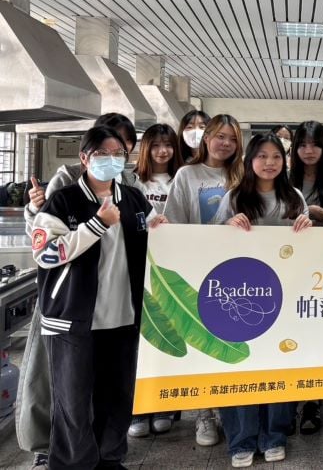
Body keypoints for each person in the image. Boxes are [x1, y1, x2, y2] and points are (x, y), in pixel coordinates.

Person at [30, 125, 167, 470]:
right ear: (84, 157)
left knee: (118, 397)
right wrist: (96, 224)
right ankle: (73, 464)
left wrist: (166, 230)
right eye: (102, 153)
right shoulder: (63, 200)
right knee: (73, 404)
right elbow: (45, 253)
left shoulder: (133, 199)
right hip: (72, 320)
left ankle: (110, 459)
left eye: (118, 154)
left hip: (124, 318)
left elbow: (160, 238)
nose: (111, 159)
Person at [213, 133, 311, 468]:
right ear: (249, 160)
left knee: (279, 363)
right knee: (241, 366)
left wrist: (308, 227)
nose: (269, 163)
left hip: (285, 295)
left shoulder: (294, 197)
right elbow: (209, 241)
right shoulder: (234, 197)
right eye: (262, 156)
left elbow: (308, 248)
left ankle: (274, 436)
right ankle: (241, 439)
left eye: (276, 156)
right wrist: (227, 225)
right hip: (240, 297)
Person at [164, 113, 244, 446]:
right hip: (197, 268)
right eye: (220, 136)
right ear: (206, 138)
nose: (226, 143)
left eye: (233, 138)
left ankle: (230, 411)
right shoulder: (187, 174)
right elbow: (173, 223)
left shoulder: (242, 174)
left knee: (231, 342)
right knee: (202, 342)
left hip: (236, 272)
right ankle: (204, 414)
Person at [128, 123, 183, 439]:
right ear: (145, 147)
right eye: (157, 145)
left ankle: (164, 406)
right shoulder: (131, 180)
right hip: (135, 268)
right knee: (137, 341)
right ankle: (138, 408)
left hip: (170, 268)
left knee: (166, 334)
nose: (163, 151)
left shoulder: (181, 179)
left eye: (168, 145)